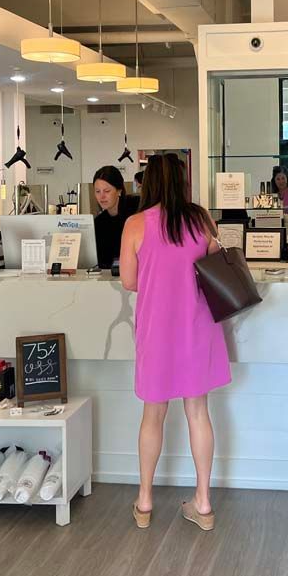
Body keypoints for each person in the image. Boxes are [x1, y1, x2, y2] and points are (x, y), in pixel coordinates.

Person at [120, 153, 230, 532]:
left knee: (153, 415)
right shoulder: (200, 219)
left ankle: (145, 501)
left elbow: (129, 281)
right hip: (197, 326)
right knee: (198, 412)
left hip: (156, 330)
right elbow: (217, 265)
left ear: (147, 182)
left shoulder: (135, 224)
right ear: (183, 182)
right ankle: (202, 504)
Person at [93, 165, 130, 269]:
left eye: (107, 191)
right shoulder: (99, 223)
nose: (102, 196)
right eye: (97, 191)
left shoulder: (134, 216)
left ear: (119, 191)